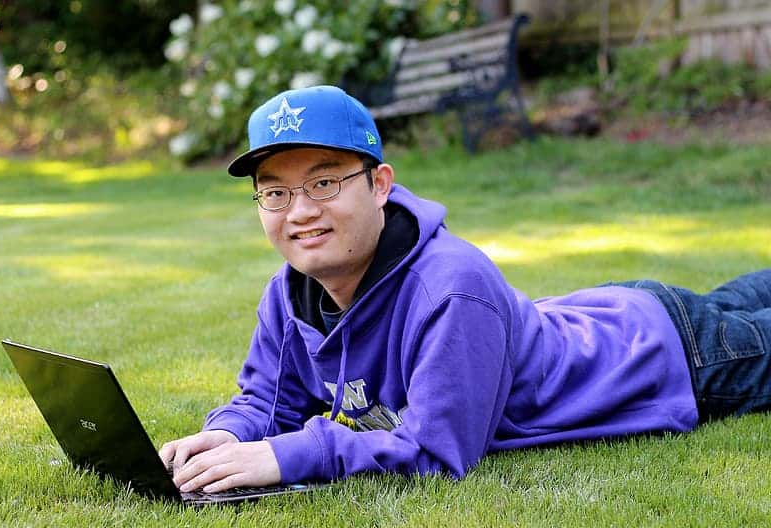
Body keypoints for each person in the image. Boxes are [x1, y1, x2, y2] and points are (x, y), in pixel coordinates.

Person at [159, 85, 771, 494]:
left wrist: (292, 456)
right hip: (614, 311)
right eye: (275, 192)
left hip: (675, 357)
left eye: (323, 183)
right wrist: (230, 435)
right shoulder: (290, 291)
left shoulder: (451, 289)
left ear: (379, 185)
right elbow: (269, 397)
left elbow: (436, 450)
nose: (298, 212)